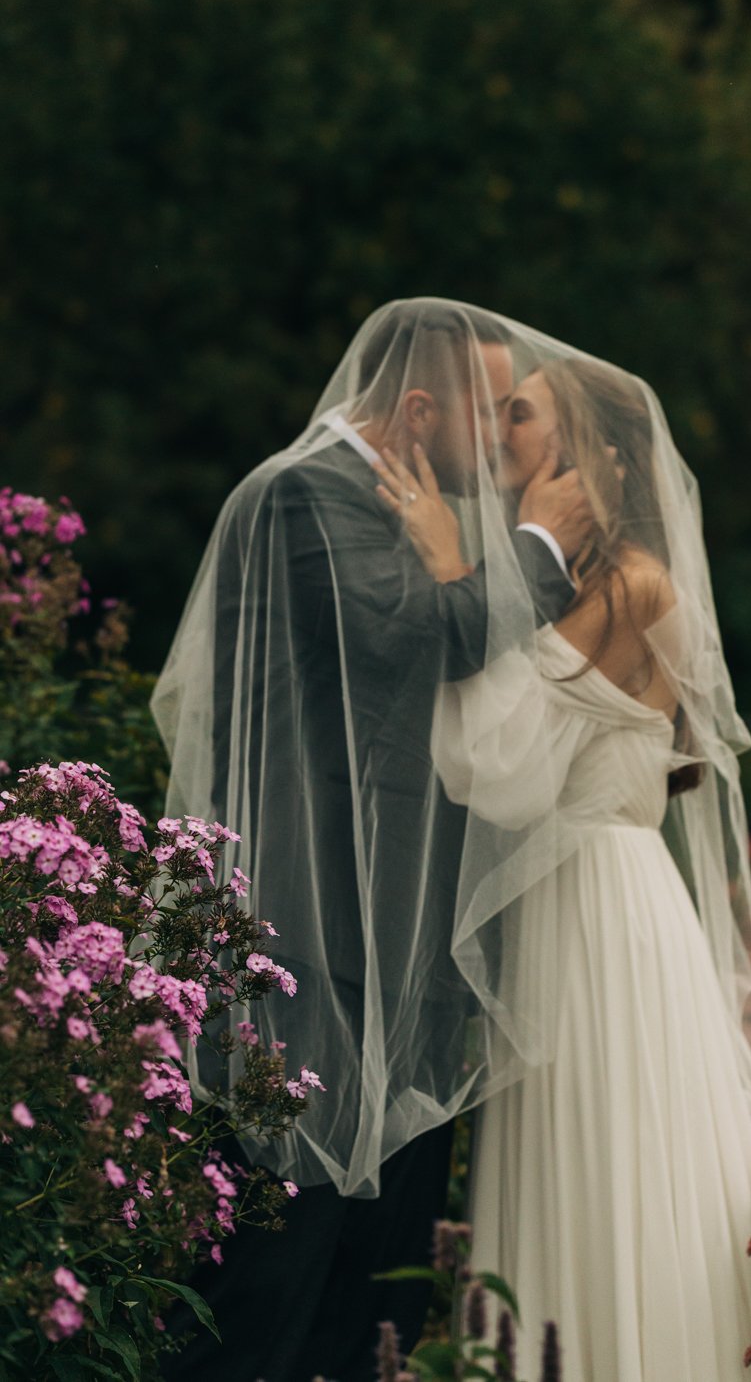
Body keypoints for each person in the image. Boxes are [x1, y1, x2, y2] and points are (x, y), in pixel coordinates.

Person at [378, 336, 751, 1380]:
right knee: (569, 1166)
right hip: (569, 906)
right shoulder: (573, 585)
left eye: (526, 413)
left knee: (610, 1162)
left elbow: (490, 761)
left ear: (599, 456)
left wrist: (451, 567)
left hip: (601, 913)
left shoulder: (631, 589)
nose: (501, 428)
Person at [150, 300, 595, 1382]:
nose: (500, 442)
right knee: (275, 1266)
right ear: (419, 408)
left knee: (377, 1281)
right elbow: (411, 638)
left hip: (400, 940)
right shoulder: (299, 495)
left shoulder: (418, 502)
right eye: (489, 417)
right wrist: (541, 551)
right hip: (304, 934)